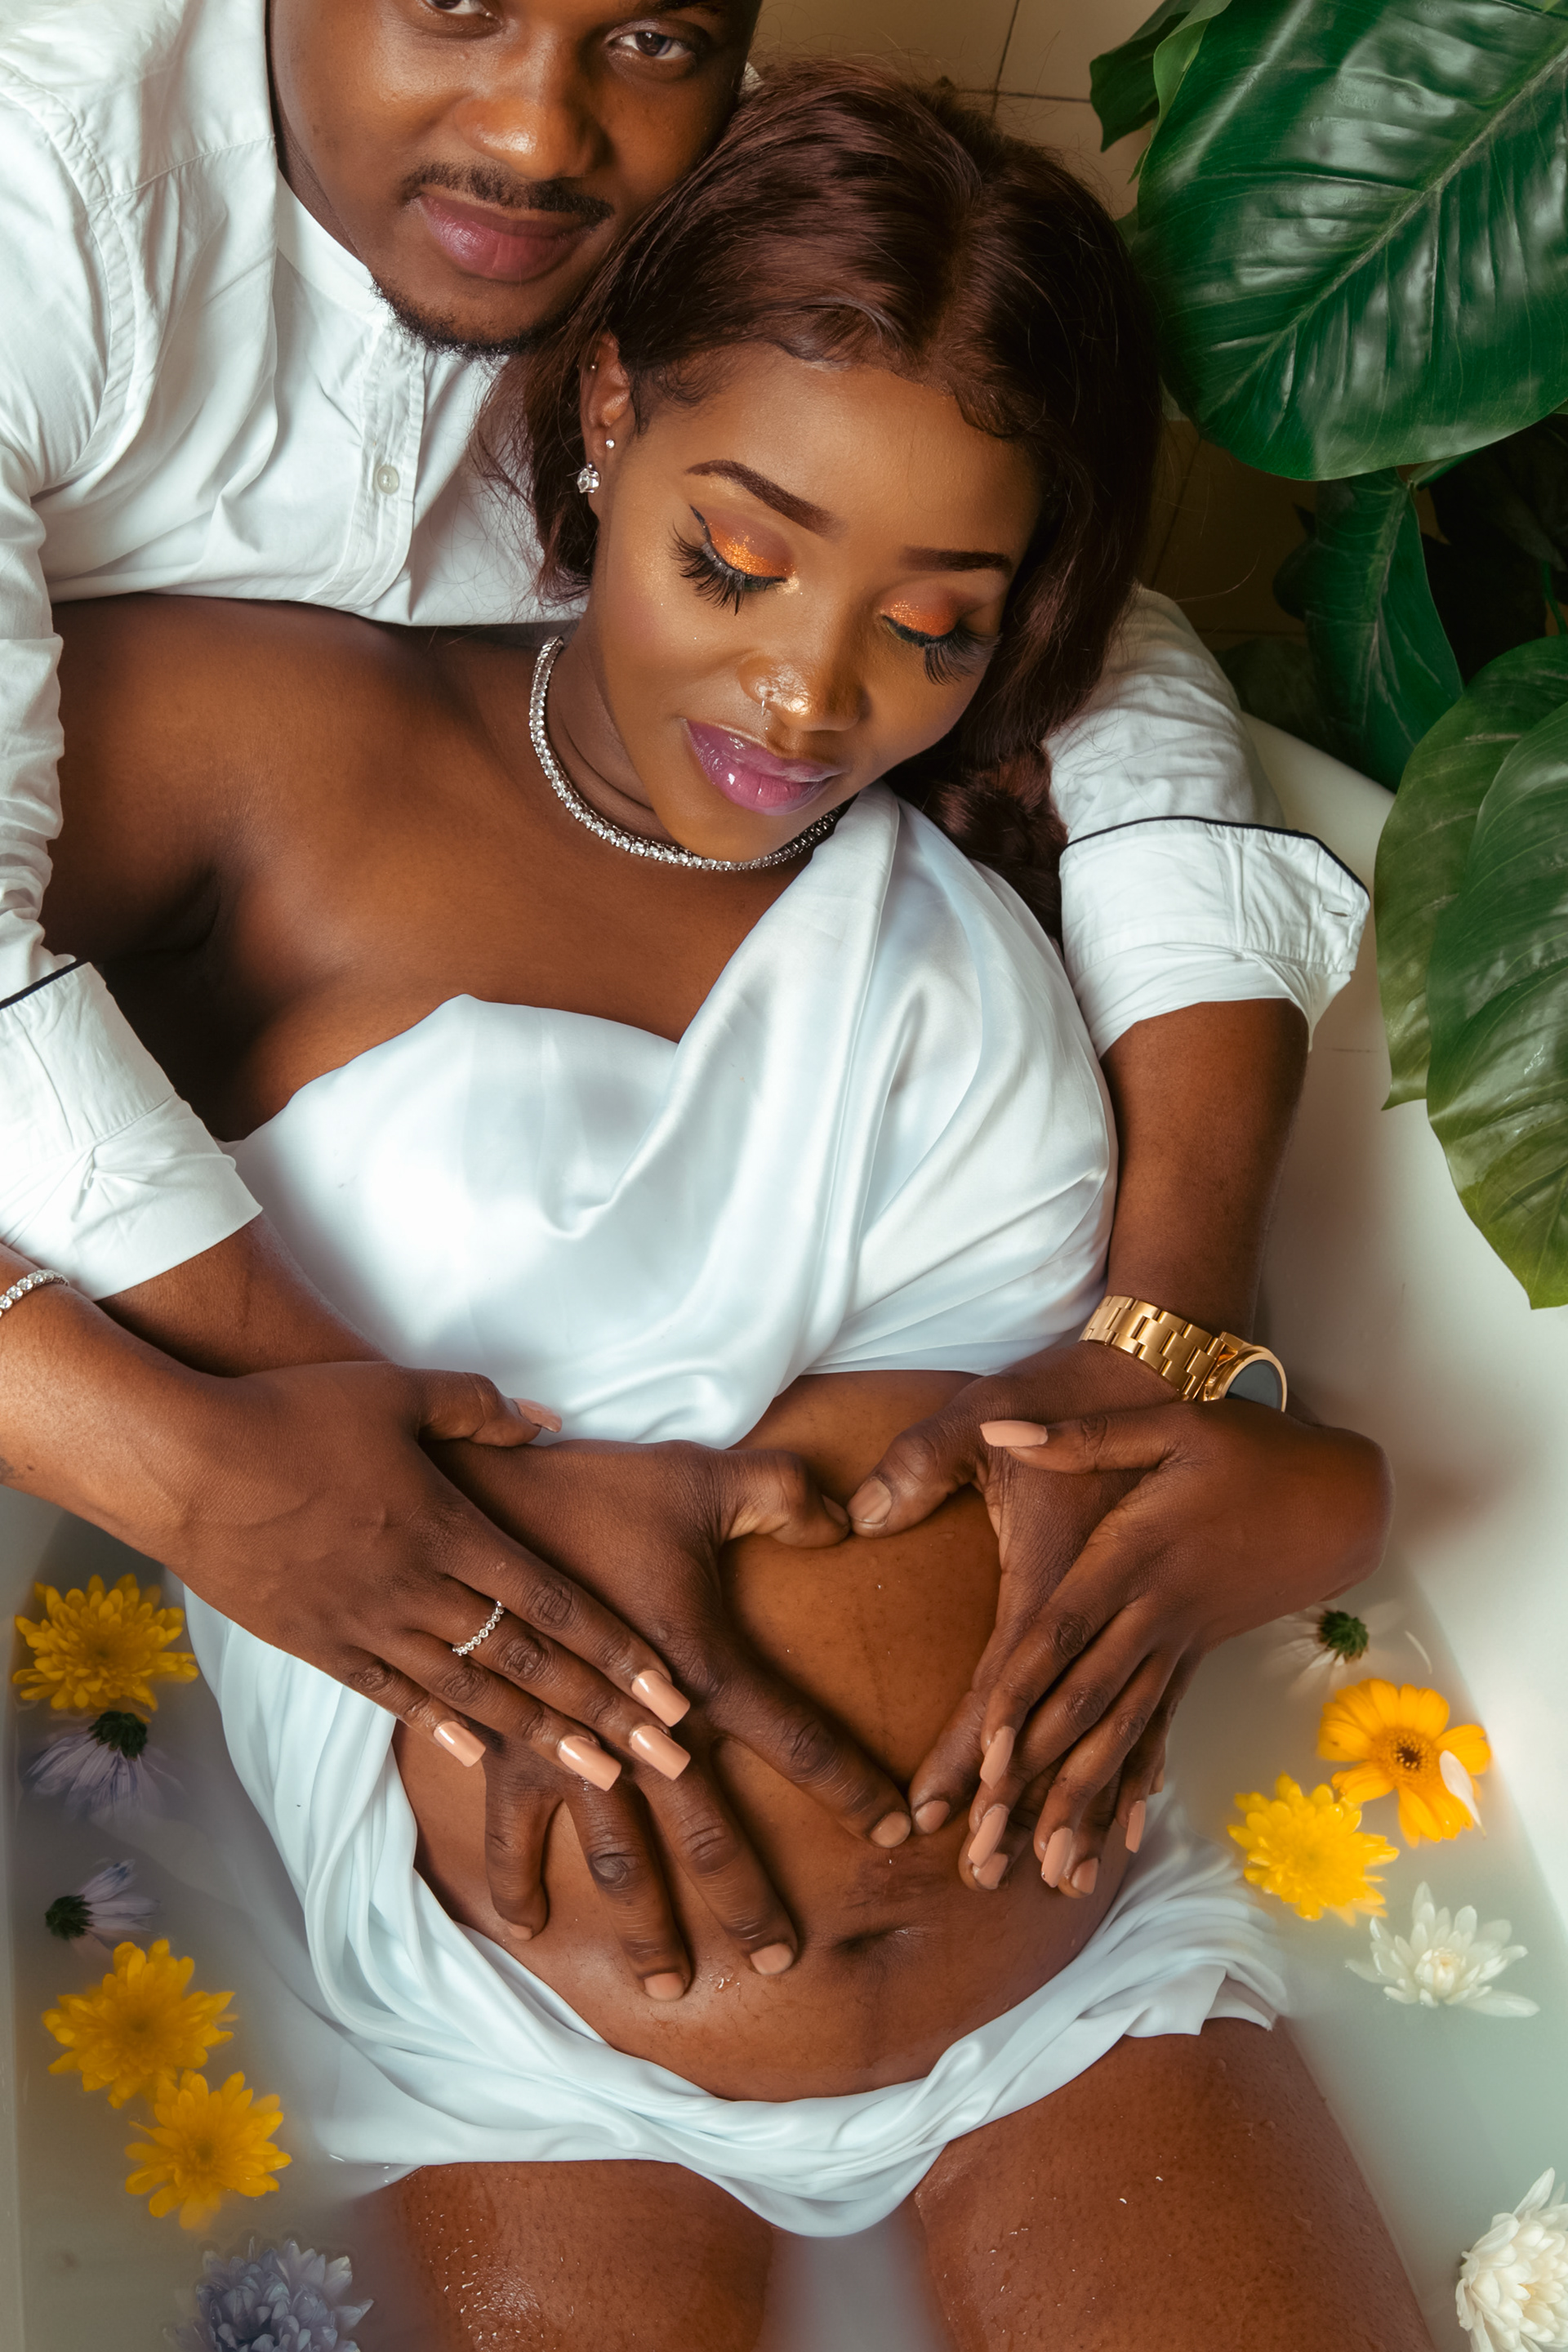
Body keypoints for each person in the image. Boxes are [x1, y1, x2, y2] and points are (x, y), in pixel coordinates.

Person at [19, 68, 1424, 2349]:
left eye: (938, 618)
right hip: (492, 2042)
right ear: (601, 418)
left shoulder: (1012, 792)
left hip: (1086, 1970)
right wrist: (167, 1461)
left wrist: (1302, 1487)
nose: (808, 691)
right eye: (736, 555)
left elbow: (1172, 1378)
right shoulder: (276, 748)